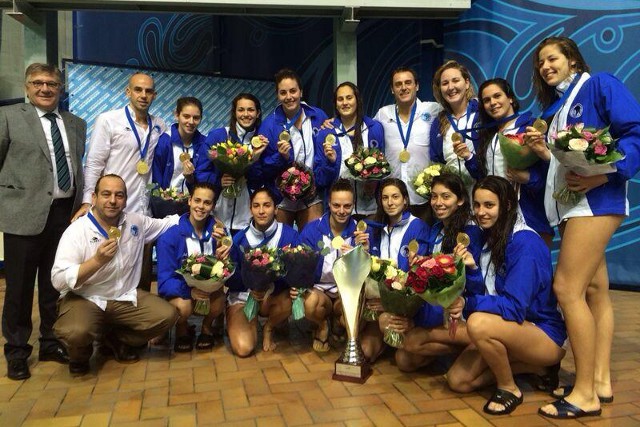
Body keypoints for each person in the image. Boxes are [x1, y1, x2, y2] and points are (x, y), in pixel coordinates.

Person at [526, 37, 640, 419]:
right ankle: (600, 380)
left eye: (552, 58)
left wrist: (604, 176)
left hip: (595, 202)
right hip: (573, 207)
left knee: (566, 289)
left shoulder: (599, 84)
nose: (545, 66)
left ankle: (585, 393)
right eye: (540, 62)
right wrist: (544, 152)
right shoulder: (557, 105)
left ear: (572, 59)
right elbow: (566, 161)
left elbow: (634, 133)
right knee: (594, 289)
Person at [446, 176, 566, 416]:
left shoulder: (525, 243)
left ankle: (509, 387)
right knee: (458, 381)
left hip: (542, 332)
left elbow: (513, 307)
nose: (481, 212)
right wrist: (472, 270)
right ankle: (537, 368)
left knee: (478, 323)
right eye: (477, 205)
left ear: (507, 205)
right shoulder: (492, 235)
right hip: (510, 327)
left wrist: (468, 303)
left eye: (489, 205)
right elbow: (486, 293)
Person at [0, 63, 86, 381]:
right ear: (27, 87)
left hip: (65, 215)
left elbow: (76, 166)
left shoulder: (76, 123)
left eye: (52, 83)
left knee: (55, 285)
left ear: (60, 89)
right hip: (23, 214)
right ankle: (17, 351)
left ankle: (50, 342)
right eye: (38, 83)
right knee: (20, 289)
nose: (45, 89)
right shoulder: (8, 118)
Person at [51, 175, 180, 377]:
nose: (113, 200)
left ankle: (116, 338)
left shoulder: (135, 222)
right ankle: (80, 355)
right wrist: (97, 261)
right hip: (86, 298)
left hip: (123, 297)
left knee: (167, 316)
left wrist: (208, 218)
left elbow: (169, 223)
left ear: (126, 200)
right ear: (94, 197)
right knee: (76, 331)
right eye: (106, 194)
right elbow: (58, 280)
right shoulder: (77, 231)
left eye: (119, 195)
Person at [75, 72, 166, 290]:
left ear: (154, 95)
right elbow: (95, 163)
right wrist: (88, 200)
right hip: (111, 209)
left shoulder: (159, 126)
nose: (143, 95)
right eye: (138, 89)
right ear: (128, 92)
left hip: (143, 212)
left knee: (141, 275)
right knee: (109, 269)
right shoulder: (108, 120)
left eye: (148, 91)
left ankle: (138, 318)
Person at [389, 173, 483, 372]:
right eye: (434, 196)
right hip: (438, 309)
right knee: (403, 360)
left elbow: (476, 283)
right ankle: (455, 354)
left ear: (460, 200)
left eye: (445, 196)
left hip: (464, 312)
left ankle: (468, 350)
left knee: (413, 342)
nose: (438, 202)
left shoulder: (470, 233)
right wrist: (418, 264)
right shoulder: (436, 229)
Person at [463, 78, 553, 245]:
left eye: (497, 96)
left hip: (528, 212)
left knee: (534, 266)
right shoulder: (488, 135)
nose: (493, 103)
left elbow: (551, 171)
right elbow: (484, 177)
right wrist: (469, 157)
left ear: (510, 98)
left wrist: (528, 177)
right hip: (495, 217)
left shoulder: (531, 128)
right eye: (487, 100)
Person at [226, 187, 299, 356]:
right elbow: (231, 281)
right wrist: (251, 287)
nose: (261, 211)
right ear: (250, 209)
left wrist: (274, 285)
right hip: (245, 297)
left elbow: (296, 272)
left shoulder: (290, 236)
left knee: (295, 295)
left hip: (273, 296)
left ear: (276, 209)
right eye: (256, 206)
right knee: (244, 349)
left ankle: (269, 326)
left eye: (266, 205)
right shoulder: (239, 239)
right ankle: (232, 316)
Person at [156, 182, 228, 352]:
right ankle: (182, 330)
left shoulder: (220, 232)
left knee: (219, 299)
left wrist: (223, 251)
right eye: (197, 200)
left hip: (208, 293)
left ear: (213, 206)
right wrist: (189, 292)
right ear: (189, 201)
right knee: (183, 306)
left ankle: (206, 327)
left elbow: (227, 268)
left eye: (207, 202)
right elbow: (164, 280)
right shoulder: (170, 235)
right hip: (182, 294)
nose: (201, 207)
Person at [297, 179, 368, 353]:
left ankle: (338, 322)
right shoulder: (312, 230)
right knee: (309, 303)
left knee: (359, 312)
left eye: (347, 206)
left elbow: (368, 273)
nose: (342, 211)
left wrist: (361, 254)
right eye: (336, 205)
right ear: (328, 203)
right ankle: (321, 326)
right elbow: (300, 265)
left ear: (354, 205)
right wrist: (298, 287)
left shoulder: (362, 231)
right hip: (320, 290)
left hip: (346, 290)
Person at [258, 68, 329, 230]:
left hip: (312, 195)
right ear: (277, 95)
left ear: (301, 92)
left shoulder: (318, 117)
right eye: (283, 92)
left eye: (293, 91)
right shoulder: (268, 125)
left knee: (312, 244)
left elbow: (326, 155)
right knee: (282, 246)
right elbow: (263, 168)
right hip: (282, 197)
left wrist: (318, 184)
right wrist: (280, 157)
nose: (289, 97)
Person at [374, 66, 442, 222]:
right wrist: (331, 122)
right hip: (392, 198)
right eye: (398, 84)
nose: (403, 87)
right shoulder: (383, 114)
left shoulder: (433, 110)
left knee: (421, 243)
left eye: (408, 82)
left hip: (422, 197)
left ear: (416, 86)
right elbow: (362, 128)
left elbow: (457, 111)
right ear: (392, 89)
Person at [195, 93, 267, 234]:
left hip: (247, 217)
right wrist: (218, 181)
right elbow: (200, 172)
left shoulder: (262, 141)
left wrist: (255, 158)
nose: (246, 114)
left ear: (258, 113)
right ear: (234, 113)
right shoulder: (218, 136)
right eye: (241, 110)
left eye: (251, 110)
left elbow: (262, 179)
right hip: (217, 215)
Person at [314, 82, 385, 218]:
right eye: (340, 99)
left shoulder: (374, 128)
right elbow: (320, 180)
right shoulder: (325, 133)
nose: (345, 103)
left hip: (370, 208)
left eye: (349, 98)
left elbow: (383, 167)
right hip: (339, 211)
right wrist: (331, 163)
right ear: (335, 104)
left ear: (357, 100)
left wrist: (374, 182)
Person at [429, 60, 479, 195]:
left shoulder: (482, 113)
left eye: (455, 80)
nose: (451, 87)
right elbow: (437, 161)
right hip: (452, 197)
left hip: (482, 190)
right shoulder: (438, 122)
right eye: (445, 83)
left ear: (467, 83)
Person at [151, 97, 205, 203]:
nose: (191, 122)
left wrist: (191, 179)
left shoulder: (204, 143)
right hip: (165, 205)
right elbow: (155, 180)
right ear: (177, 115)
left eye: (196, 118)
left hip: (193, 206)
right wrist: (160, 200)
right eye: (186, 116)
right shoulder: (164, 141)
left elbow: (204, 180)